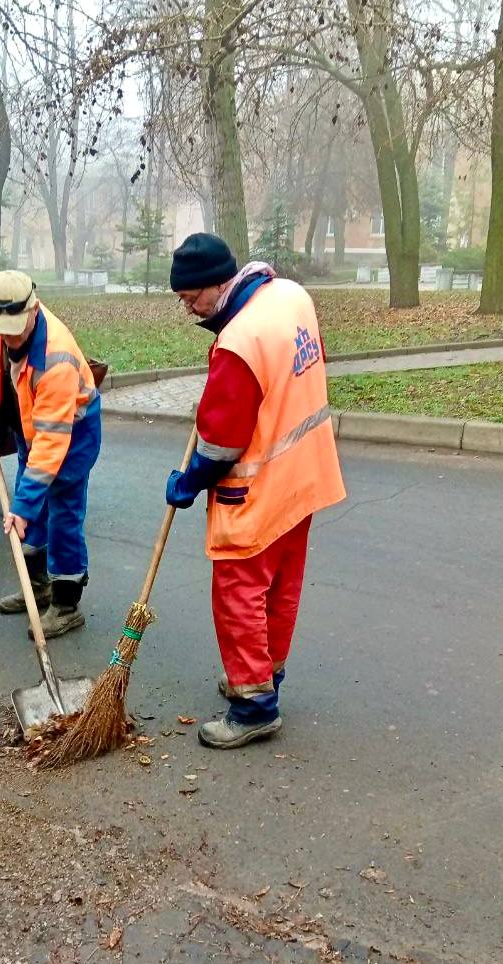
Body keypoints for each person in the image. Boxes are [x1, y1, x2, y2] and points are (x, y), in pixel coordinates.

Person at [165, 233, 346, 749]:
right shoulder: (290, 296)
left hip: (258, 491)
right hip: (305, 478)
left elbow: (221, 443)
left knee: (240, 593)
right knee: (282, 586)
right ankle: (266, 676)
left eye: (191, 298)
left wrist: (190, 480)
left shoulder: (239, 341)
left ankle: (253, 707)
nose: (188, 309)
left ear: (219, 284)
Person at [0, 270, 101, 639]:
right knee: (30, 500)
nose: (8, 337)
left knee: (61, 512)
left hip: (72, 431)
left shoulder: (57, 357)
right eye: (1, 329)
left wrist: (21, 508)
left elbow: (51, 446)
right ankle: (38, 587)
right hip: (27, 420)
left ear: (34, 310)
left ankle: (67, 604)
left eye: (16, 329)